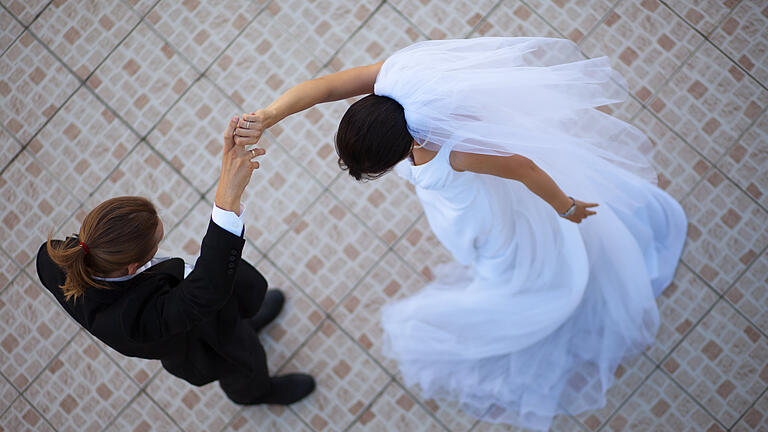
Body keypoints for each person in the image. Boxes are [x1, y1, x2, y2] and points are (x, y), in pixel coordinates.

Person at [241, 37, 687, 430]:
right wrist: (269, 115)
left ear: (402, 148)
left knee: (505, 260)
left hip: (480, 216)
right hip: (452, 206)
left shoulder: (452, 151)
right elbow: (324, 88)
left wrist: (564, 206)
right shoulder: (394, 83)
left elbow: (522, 166)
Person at [36, 116, 315, 406]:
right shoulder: (135, 321)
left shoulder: (56, 255)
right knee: (245, 360)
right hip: (201, 340)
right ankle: (254, 393)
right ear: (133, 268)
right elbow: (206, 290)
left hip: (201, 308)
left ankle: (244, 320)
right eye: (156, 243)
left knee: (235, 317)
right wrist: (227, 198)